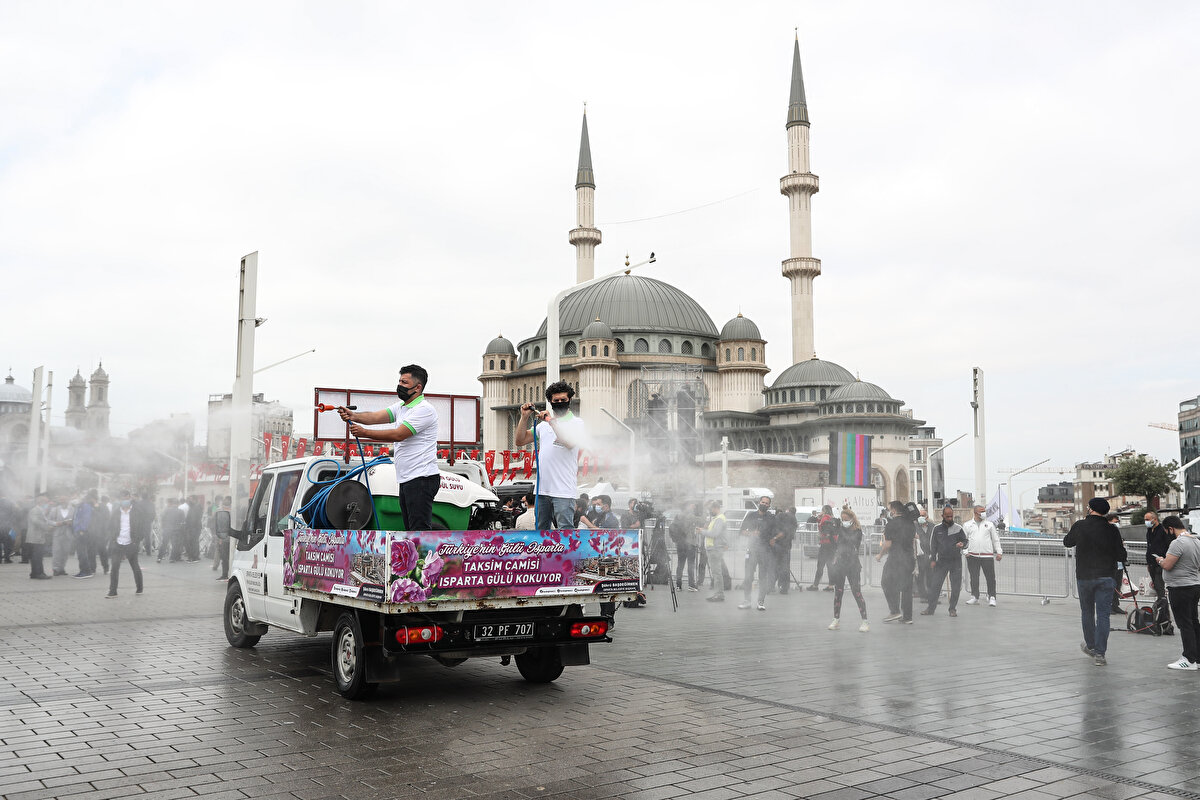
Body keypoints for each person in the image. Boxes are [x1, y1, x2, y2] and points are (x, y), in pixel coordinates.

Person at [339, 364, 440, 530]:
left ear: (418, 387)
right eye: (399, 381)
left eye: (404, 382)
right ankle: (415, 556)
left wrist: (364, 432)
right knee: (411, 529)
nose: (399, 385)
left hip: (422, 478)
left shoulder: (424, 410)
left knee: (419, 530)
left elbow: (399, 434)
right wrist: (354, 415)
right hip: (408, 478)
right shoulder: (402, 407)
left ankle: (423, 556)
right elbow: (375, 416)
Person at [1063, 498, 1128, 666]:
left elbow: (1067, 542)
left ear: (1090, 509)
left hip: (1084, 576)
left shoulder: (1080, 525)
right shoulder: (1112, 529)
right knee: (1104, 615)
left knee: (1087, 612)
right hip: (1106, 576)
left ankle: (1091, 646)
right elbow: (1121, 555)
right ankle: (1100, 654)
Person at [513, 381, 584, 531]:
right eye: (556, 400)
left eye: (563, 400)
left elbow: (569, 443)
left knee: (565, 529)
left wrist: (552, 422)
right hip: (542, 489)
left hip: (563, 490)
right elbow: (520, 441)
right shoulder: (542, 426)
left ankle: (567, 555)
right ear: (550, 402)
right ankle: (543, 555)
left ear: (569, 400)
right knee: (541, 530)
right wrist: (524, 417)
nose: (559, 403)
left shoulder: (577, 423)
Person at [1153, 515, 1200, 670]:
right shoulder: (1196, 541)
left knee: (1184, 623)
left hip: (1180, 587)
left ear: (1171, 529)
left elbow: (1167, 565)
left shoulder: (1177, 543)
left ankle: (1188, 659)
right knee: (1193, 621)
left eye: (1167, 531)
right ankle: (1197, 658)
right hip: (1194, 585)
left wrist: (1160, 560)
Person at [827, 507, 869, 632]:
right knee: (838, 592)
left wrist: (840, 529)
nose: (844, 522)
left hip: (853, 565)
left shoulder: (857, 531)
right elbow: (834, 543)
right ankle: (836, 619)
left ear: (851, 519)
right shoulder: (840, 530)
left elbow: (851, 542)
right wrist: (832, 529)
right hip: (840, 564)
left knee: (856, 592)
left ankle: (865, 621)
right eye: (842, 519)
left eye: (846, 519)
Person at [922, 506, 967, 616]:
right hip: (941, 562)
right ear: (942, 516)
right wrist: (933, 559)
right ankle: (930, 608)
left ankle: (952, 609)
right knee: (935, 585)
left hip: (956, 561)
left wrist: (963, 544)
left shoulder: (958, 528)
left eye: (951, 516)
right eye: (947, 516)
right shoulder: (937, 529)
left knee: (955, 587)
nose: (950, 518)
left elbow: (965, 541)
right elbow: (933, 546)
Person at [877, 501, 917, 623]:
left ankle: (894, 611)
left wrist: (879, 555)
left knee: (886, 582)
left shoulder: (891, 524)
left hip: (896, 558)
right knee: (906, 588)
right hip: (909, 558)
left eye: (889, 509)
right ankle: (907, 617)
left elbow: (888, 544)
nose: (889, 512)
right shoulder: (910, 523)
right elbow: (913, 540)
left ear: (894, 510)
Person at [739, 496, 776, 610]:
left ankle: (761, 602)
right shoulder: (751, 515)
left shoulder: (771, 518)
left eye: (766, 503)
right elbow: (742, 531)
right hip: (751, 549)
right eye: (762, 502)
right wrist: (751, 534)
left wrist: (774, 539)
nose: (764, 504)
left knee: (763, 577)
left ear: (769, 505)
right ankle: (747, 601)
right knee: (748, 576)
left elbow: (778, 532)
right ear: (759, 502)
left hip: (765, 551)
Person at [963, 504, 1002, 607]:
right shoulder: (967, 525)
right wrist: (966, 552)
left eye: (984, 510)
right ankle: (974, 596)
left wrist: (999, 552)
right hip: (972, 556)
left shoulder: (990, 525)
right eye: (981, 511)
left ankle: (992, 597)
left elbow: (995, 539)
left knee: (990, 577)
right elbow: (963, 540)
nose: (984, 513)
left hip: (987, 556)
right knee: (974, 577)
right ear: (975, 513)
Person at [106, 491, 143, 598]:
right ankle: (113, 591)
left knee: (134, 566)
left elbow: (142, 527)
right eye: (122, 498)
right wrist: (113, 539)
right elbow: (110, 526)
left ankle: (139, 588)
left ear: (130, 498)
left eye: (126, 498)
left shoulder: (136, 511)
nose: (124, 500)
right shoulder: (116, 512)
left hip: (131, 543)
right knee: (114, 567)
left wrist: (136, 541)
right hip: (118, 543)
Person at [702, 500, 730, 602]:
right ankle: (718, 593)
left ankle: (719, 594)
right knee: (717, 573)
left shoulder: (719, 519)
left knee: (717, 573)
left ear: (715, 508)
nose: (710, 511)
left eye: (711, 509)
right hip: (715, 548)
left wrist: (702, 531)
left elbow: (715, 533)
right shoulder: (717, 519)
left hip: (715, 548)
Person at [670, 501, 699, 592]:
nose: (693, 506)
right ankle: (691, 585)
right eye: (692, 505)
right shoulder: (690, 516)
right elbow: (702, 521)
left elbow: (672, 528)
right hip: (689, 543)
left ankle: (678, 585)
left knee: (680, 564)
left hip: (680, 543)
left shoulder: (678, 516)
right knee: (690, 564)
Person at [808, 505, 837, 591]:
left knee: (820, 565)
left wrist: (819, 519)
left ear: (824, 511)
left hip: (825, 544)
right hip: (832, 545)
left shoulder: (825, 518)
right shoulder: (832, 518)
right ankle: (831, 585)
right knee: (830, 565)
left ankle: (815, 585)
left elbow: (821, 529)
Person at [25, 494, 55, 579]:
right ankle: (39, 574)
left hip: (38, 537)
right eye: (46, 502)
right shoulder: (35, 510)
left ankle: (34, 573)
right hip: (35, 537)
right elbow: (36, 521)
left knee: (36, 556)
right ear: (40, 502)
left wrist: (56, 524)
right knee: (37, 556)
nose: (48, 503)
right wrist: (47, 527)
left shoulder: (41, 510)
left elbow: (46, 520)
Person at [1145, 510, 1171, 601]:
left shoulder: (1162, 530)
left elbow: (1168, 545)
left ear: (1155, 519)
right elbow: (1149, 546)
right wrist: (1148, 563)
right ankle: (1160, 605)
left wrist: (1165, 559)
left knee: (1159, 585)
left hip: (1160, 561)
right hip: (1151, 562)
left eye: (1147, 519)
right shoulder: (1149, 530)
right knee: (1156, 586)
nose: (1146, 521)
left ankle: (1163, 608)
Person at [772, 506, 798, 594]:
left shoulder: (781, 516)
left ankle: (771, 586)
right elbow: (791, 535)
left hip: (778, 545)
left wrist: (774, 538)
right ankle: (784, 587)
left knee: (775, 566)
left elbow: (777, 530)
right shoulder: (794, 520)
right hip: (786, 546)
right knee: (785, 567)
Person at [71, 490, 97, 578]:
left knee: (82, 553)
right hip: (78, 530)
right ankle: (84, 570)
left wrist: (81, 530)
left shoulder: (85, 506)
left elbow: (86, 519)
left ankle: (86, 571)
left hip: (81, 532)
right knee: (80, 553)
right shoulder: (81, 505)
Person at [50, 493, 75, 575]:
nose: (63, 501)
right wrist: (58, 523)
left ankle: (62, 568)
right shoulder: (55, 509)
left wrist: (72, 523)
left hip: (68, 534)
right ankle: (56, 569)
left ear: (68, 500)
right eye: (61, 499)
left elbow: (75, 521)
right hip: (57, 534)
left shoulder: (73, 509)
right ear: (59, 501)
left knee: (65, 552)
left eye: (64, 499)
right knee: (56, 552)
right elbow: (49, 521)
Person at [91, 494, 111, 575]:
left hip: (94, 533)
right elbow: (107, 520)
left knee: (92, 552)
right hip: (101, 533)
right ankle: (106, 568)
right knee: (103, 552)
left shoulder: (95, 506)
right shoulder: (105, 507)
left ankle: (93, 569)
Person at [213, 496, 231, 581]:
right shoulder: (232, 511)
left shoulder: (221, 512)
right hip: (229, 538)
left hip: (225, 538)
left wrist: (219, 538)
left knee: (225, 557)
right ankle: (225, 574)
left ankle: (225, 574)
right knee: (225, 557)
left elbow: (219, 525)